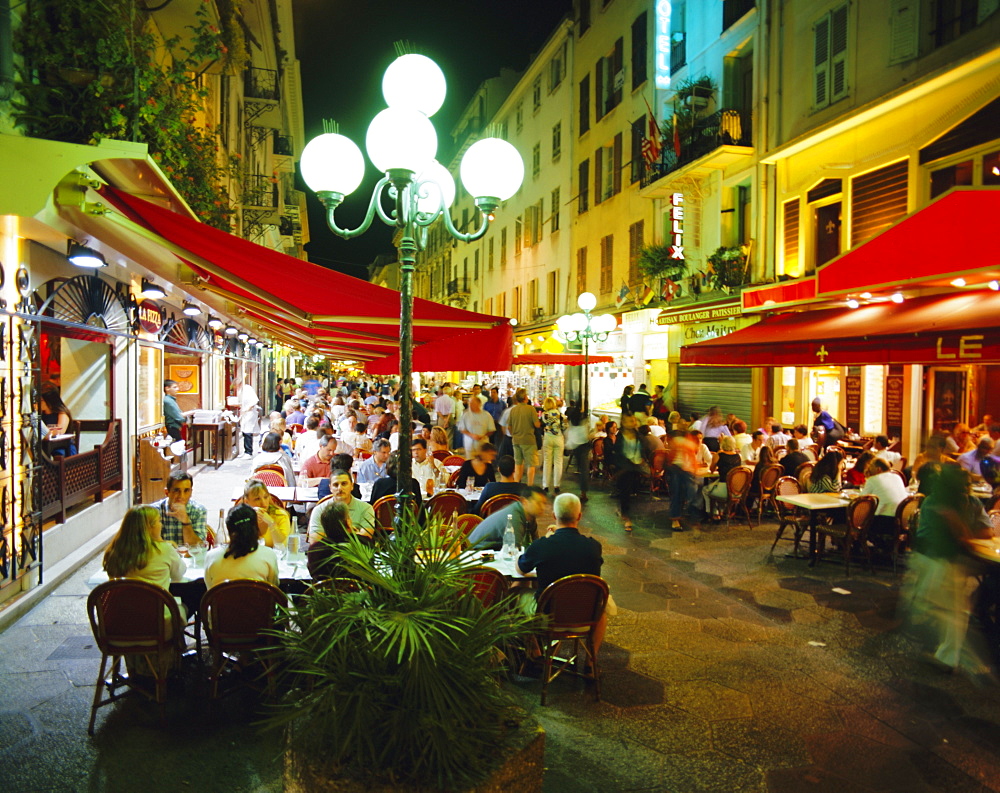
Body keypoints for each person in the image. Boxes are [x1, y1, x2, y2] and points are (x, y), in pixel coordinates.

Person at [904, 464, 992, 675]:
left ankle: (948, 657)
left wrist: (963, 534)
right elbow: (971, 534)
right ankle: (948, 653)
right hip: (944, 560)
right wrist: (965, 534)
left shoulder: (951, 503)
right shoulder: (944, 503)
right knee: (950, 610)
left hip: (943, 561)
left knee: (949, 611)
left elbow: (985, 531)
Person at [515, 493, 606, 653]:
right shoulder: (594, 547)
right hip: (586, 616)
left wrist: (548, 539)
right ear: (579, 516)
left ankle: (534, 649)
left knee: (515, 593)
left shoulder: (542, 546)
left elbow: (521, 568)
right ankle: (591, 662)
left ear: (554, 515)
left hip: (548, 616)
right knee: (601, 609)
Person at [103, 505, 186, 597]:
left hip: (120, 609)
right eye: (159, 521)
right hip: (156, 609)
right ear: (149, 527)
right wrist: (161, 542)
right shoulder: (164, 550)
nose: (161, 525)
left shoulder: (114, 549)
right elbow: (178, 575)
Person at [204, 504, 279, 590]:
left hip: (222, 603)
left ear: (228, 529)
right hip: (258, 602)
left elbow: (210, 590)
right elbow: (274, 587)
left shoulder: (212, 556)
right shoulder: (268, 555)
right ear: (255, 527)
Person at [468, 486, 547, 550]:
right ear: (524, 502)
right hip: (478, 552)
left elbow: (534, 544)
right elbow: (516, 550)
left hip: (496, 550)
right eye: (538, 503)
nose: (543, 507)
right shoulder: (513, 517)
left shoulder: (530, 516)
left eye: (544, 503)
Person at [309, 469, 376, 541]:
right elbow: (315, 541)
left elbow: (366, 539)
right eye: (335, 485)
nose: (340, 488)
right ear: (330, 488)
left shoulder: (366, 508)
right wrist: (353, 532)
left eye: (344, 484)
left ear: (352, 486)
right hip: (329, 551)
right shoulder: (320, 509)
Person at [860, 458, 909, 550]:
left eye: (871, 468)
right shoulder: (897, 477)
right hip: (902, 521)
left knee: (860, 519)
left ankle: (855, 547)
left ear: (878, 469)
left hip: (884, 522)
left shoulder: (873, 480)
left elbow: (862, 500)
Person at [152, 471, 208, 546]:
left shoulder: (198, 510)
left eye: (186, 491)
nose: (181, 496)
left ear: (191, 492)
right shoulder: (154, 511)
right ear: (167, 492)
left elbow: (197, 546)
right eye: (176, 490)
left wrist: (186, 521)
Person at [612, 414, 645, 531]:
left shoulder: (638, 435)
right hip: (624, 469)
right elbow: (616, 453)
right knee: (625, 493)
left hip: (635, 468)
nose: (634, 423)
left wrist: (642, 459)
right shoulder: (620, 437)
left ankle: (628, 514)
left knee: (634, 492)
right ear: (624, 423)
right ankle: (627, 518)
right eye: (631, 421)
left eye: (634, 421)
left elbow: (643, 449)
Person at [242, 478, 291, 549]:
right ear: (247, 502)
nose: (263, 503)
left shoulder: (280, 515)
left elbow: (281, 544)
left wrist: (271, 523)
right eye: (257, 499)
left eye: (265, 497)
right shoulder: (242, 516)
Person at [702, 435, 743, 517]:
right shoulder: (739, 457)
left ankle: (711, 512)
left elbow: (712, 469)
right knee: (714, 488)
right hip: (736, 490)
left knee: (705, 490)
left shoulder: (718, 455)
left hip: (723, 489)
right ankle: (722, 510)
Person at [508, 388, 540, 486]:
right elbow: (537, 425)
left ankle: (517, 484)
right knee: (530, 464)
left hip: (516, 440)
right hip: (528, 440)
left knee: (518, 463)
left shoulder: (513, 410)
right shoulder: (531, 409)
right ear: (525, 397)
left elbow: (509, 426)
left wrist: (514, 434)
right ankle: (529, 485)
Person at [564, 406, 593, 503]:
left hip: (576, 447)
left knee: (582, 468)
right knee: (584, 470)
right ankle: (583, 492)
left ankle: (582, 489)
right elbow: (588, 435)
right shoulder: (584, 421)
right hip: (584, 446)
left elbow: (569, 434)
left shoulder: (572, 421)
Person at [539, 396, 568, 494]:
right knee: (558, 462)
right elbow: (565, 426)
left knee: (547, 462)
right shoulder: (560, 415)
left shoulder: (544, 415)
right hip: (558, 438)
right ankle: (556, 485)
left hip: (548, 438)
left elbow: (542, 424)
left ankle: (545, 485)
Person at [237, 379, 261, 458]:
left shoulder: (248, 389)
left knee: (248, 431)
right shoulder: (241, 390)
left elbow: (254, 401)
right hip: (245, 413)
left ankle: (249, 452)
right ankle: (245, 451)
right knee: (244, 431)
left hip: (250, 413)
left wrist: (246, 410)